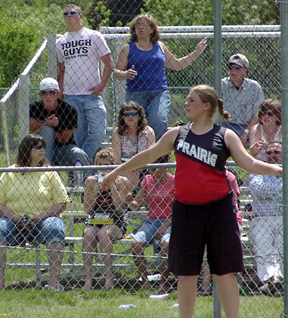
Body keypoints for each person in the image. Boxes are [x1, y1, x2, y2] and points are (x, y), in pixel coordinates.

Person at [102, 84, 282, 318]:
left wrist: (275, 169)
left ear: (206, 106)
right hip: (186, 210)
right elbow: (147, 155)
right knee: (187, 273)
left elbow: (248, 163)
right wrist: (116, 171)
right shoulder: (176, 134)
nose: (186, 103)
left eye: (192, 100)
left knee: (224, 272)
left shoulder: (224, 135)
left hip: (219, 210)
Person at [114, 14, 207, 141]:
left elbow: (177, 65)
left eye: (145, 25)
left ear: (152, 29)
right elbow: (116, 72)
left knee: (158, 121)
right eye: (138, 25)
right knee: (134, 125)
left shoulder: (160, 46)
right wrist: (125, 74)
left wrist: (196, 52)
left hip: (159, 92)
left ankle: (159, 156)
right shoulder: (128, 48)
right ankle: (137, 155)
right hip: (136, 92)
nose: (141, 28)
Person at [0, 135, 69, 291]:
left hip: (43, 221)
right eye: (38, 147)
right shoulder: (9, 173)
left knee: (55, 228)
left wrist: (40, 217)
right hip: (13, 221)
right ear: (27, 150)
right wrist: (15, 218)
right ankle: (0, 284)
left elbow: (61, 202)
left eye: (44, 146)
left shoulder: (49, 172)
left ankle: (53, 283)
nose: (42, 150)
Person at [56, 3, 114, 161]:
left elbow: (109, 63)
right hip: (70, 97)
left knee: (98, 133)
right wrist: (60, 96)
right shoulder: (60, 42)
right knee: (77, 138)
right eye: (66, 14)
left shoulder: (93, 36)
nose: (69, 16)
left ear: (80, 16)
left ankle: (82, 167)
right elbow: (61, 70)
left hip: (92, 95)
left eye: (72, 13)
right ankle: (82, 176)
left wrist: (102, 85)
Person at [82, 147, 130, 291]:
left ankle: (109, 275)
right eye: (101, 165)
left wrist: (112, 186)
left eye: (107, 165)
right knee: (89, 235)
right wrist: (96, 191)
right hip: (95, 218)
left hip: (116, 219)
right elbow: (87, 209)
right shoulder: (90, 181)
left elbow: (120, 207)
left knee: (104, 234)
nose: (104, 169)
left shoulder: (122, 181)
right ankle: (88, 277)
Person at [127, 154, 175, 293]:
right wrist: (130, 200)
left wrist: (164, 226)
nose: (152, 173)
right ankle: (145, 280)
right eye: (151, 169)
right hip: (151, 221)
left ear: (165, 166)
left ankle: (163, 282)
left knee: (166, 244)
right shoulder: (147, 180)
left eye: (156, 169)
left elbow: (179, 209)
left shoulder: (174, 181)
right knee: (136, 243)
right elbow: (137, 204)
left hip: (170, 221)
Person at [30, 78, 90, 185]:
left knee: (79, 154)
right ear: (40, 95)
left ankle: (88, 190)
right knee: (46, 130)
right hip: (41, 152)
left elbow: (64, 139)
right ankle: (47, 177)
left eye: (52, 92)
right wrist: (45, 124)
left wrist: (53, 127)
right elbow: (30, 131)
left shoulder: (69, 110)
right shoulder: (34, 108)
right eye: (44, 93)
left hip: (63, 149)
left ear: (57, 94)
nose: (48, 96)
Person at [199, 169, 243, 296]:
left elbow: (232, 199)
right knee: (206, 248)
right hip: (208, 219)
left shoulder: (229, 177)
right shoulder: (202, 175)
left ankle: (227, 289)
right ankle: (205, 288)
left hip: (231, 220)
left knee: (222, 251)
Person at [248, 141, 283, 296]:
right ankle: (272, 280)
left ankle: (277, 280)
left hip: (284, 217)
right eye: (268, 153)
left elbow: (266, 191)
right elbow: (258, 189)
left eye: (276, 152)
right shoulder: (258, 169)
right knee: (263, 247)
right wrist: (281, 188)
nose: (272, 156)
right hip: (261, 218)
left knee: (281, 250)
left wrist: (271, 191)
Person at [112, 101, 155, 192]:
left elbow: (151, 155)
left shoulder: (148, 131)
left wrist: (139, 166)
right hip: (124, 168)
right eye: (126, 115)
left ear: (139, 116)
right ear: (122, 117)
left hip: (144, 167)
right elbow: (117, 158)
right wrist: (128, 167)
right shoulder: (118, 132)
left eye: (133, 114)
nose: (130, 117)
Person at [221, 53, 265, 144]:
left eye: (237, 68)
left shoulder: (254, 87)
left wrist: (246, 132)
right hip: (225, 126)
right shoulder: (221, 85)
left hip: (247, 127)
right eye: (230, 68)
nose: (233, 71)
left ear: (245, 70)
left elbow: (258, 113)